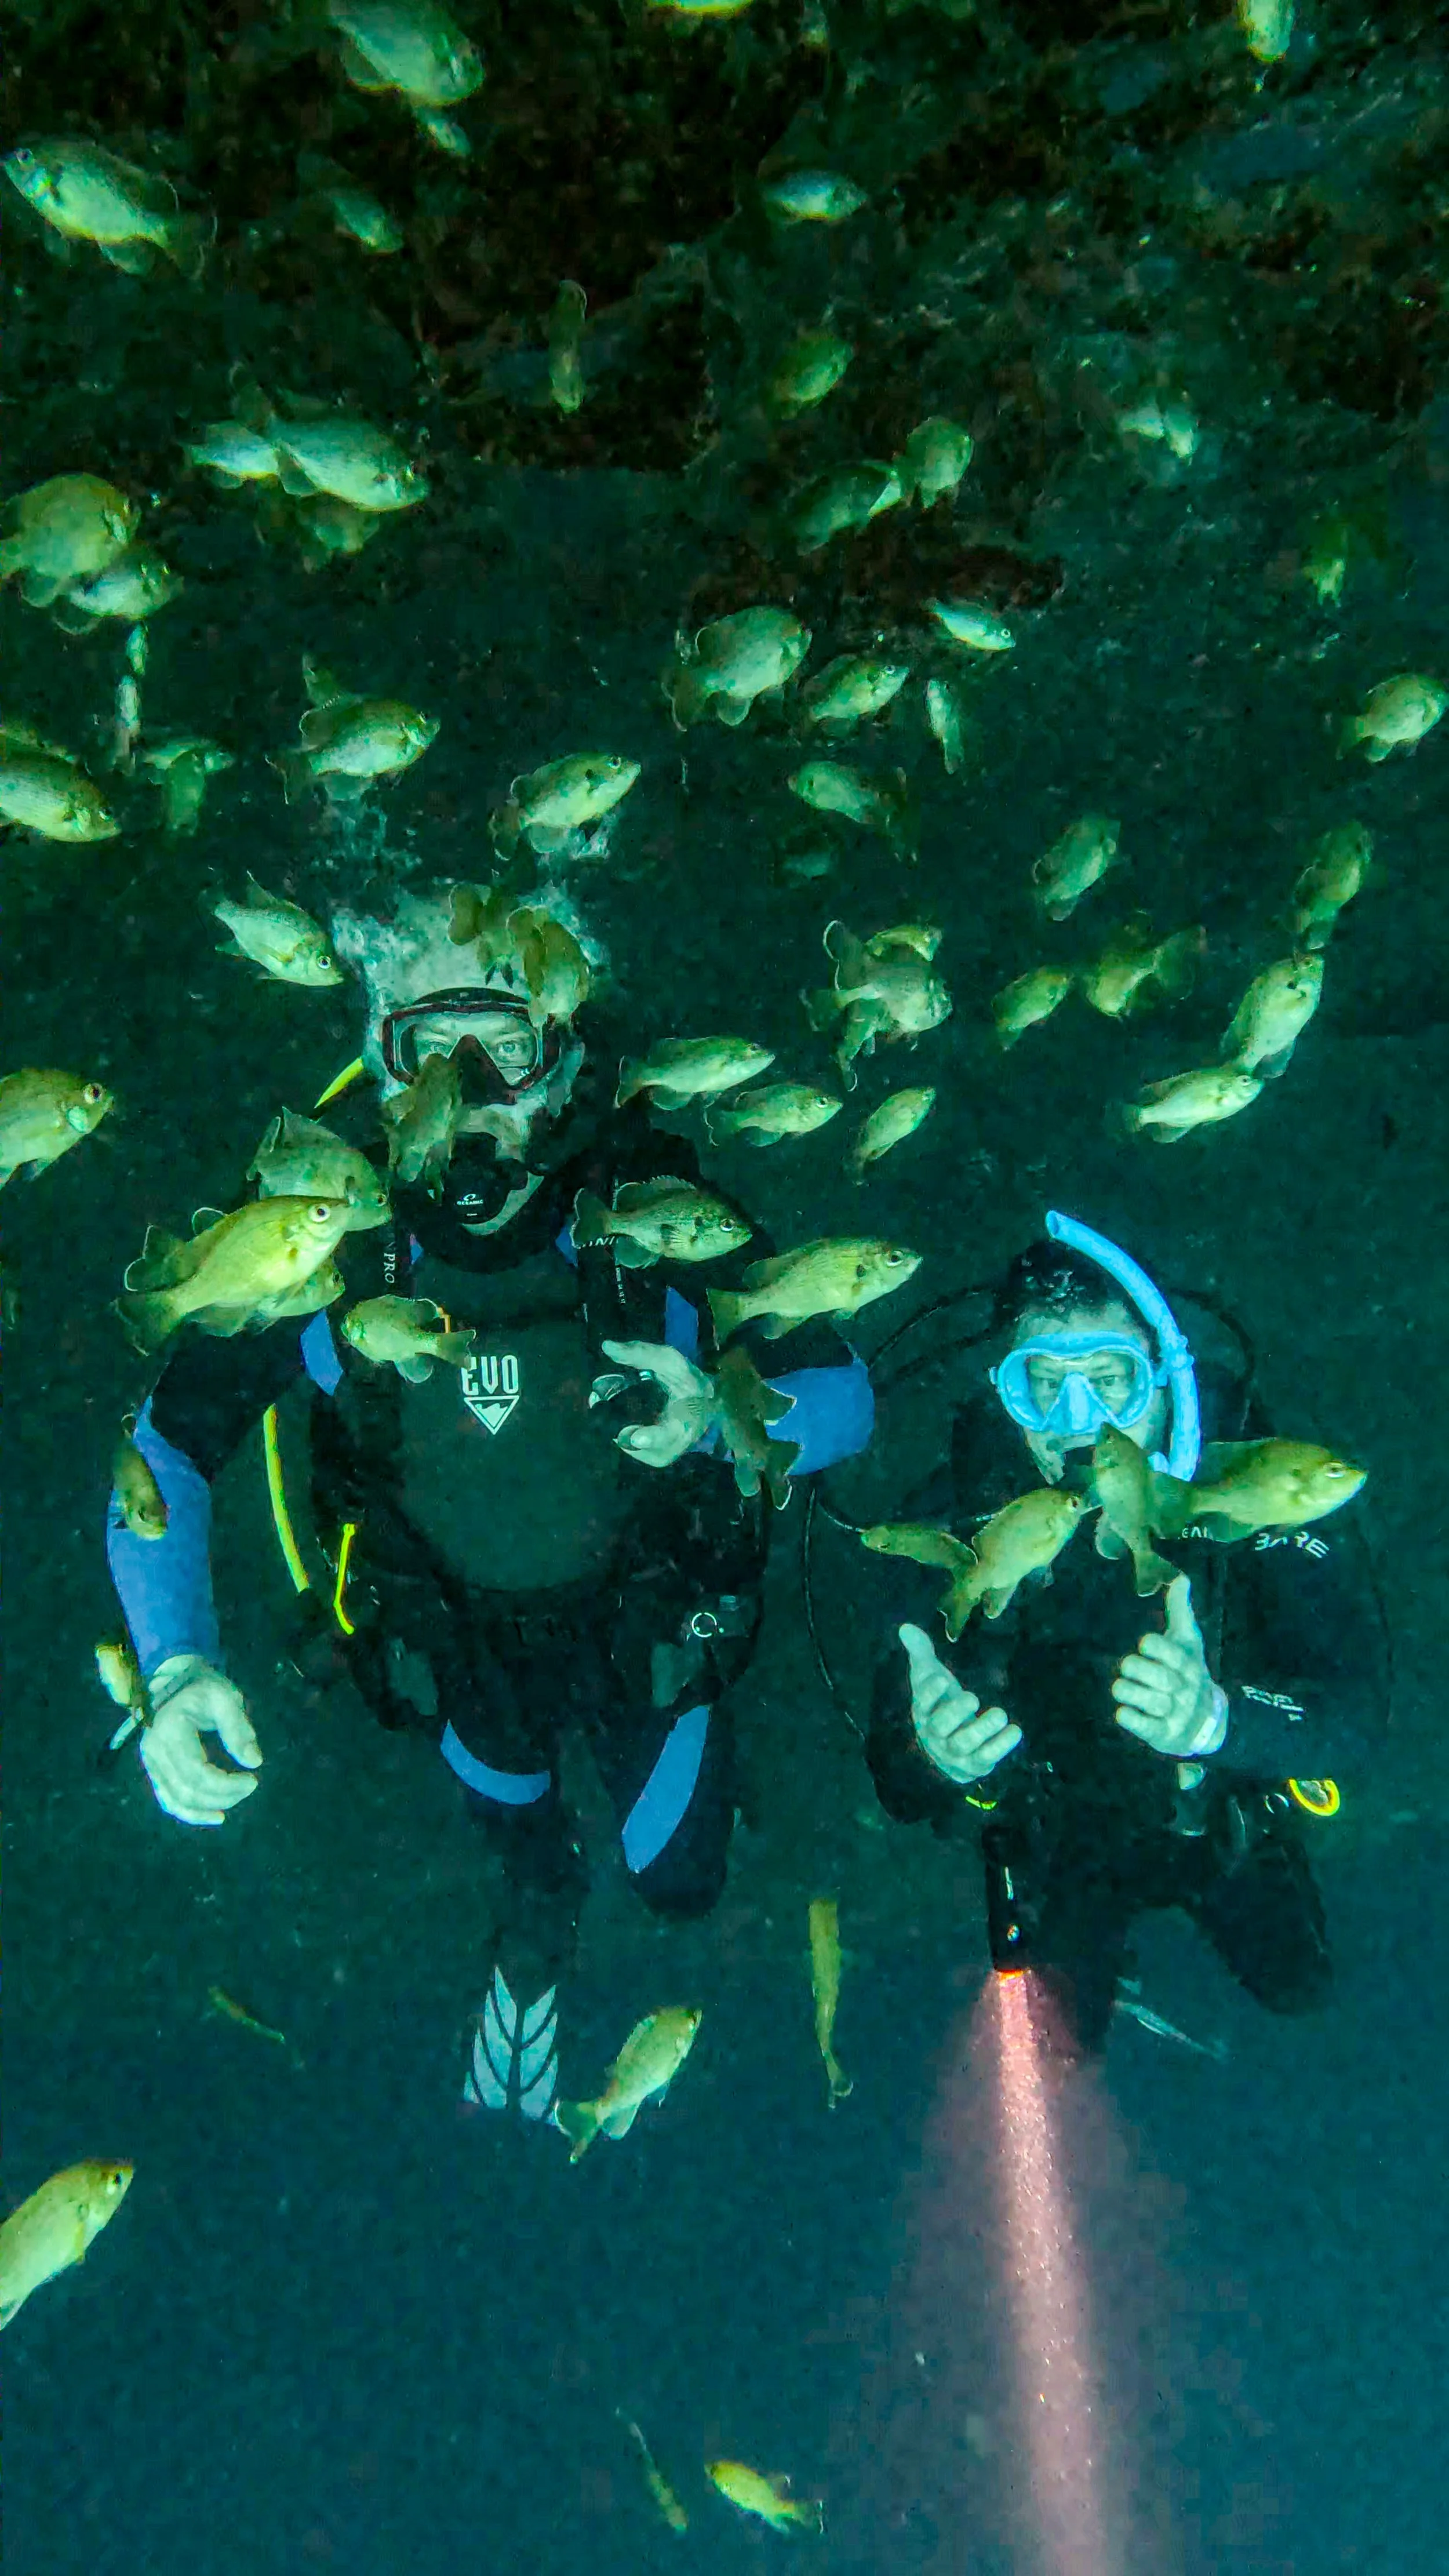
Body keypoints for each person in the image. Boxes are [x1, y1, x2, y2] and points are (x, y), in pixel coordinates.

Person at [106, 884, 873, 2124]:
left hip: (646, 1623)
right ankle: (536, 1911)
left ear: (562, 1050)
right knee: (523, 1844)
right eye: (427, 1044)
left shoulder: (648, 1208)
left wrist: (725, 1418)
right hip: (453, 1648)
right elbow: (168, 1447)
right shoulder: (318, 1240)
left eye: (504, 1043)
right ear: (378, 1054)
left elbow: (842, 1385)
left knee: (681, 1881)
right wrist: (175, 1664)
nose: (468, 1084)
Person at [864, 1210, 1386, 2057]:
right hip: (1064, 1836)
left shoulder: (1263, 1484)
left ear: (1166, 1378)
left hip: (1218, 1810)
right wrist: (938, 1755)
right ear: (1004, 1391)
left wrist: (1219, 1721)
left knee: (1301, 1983)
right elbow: (895, 1774)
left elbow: (1356, 1720)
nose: (1081, 1423)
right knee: (1061, 2051)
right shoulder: (952, 1524)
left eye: (1112, 1381)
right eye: (1044, 1384)